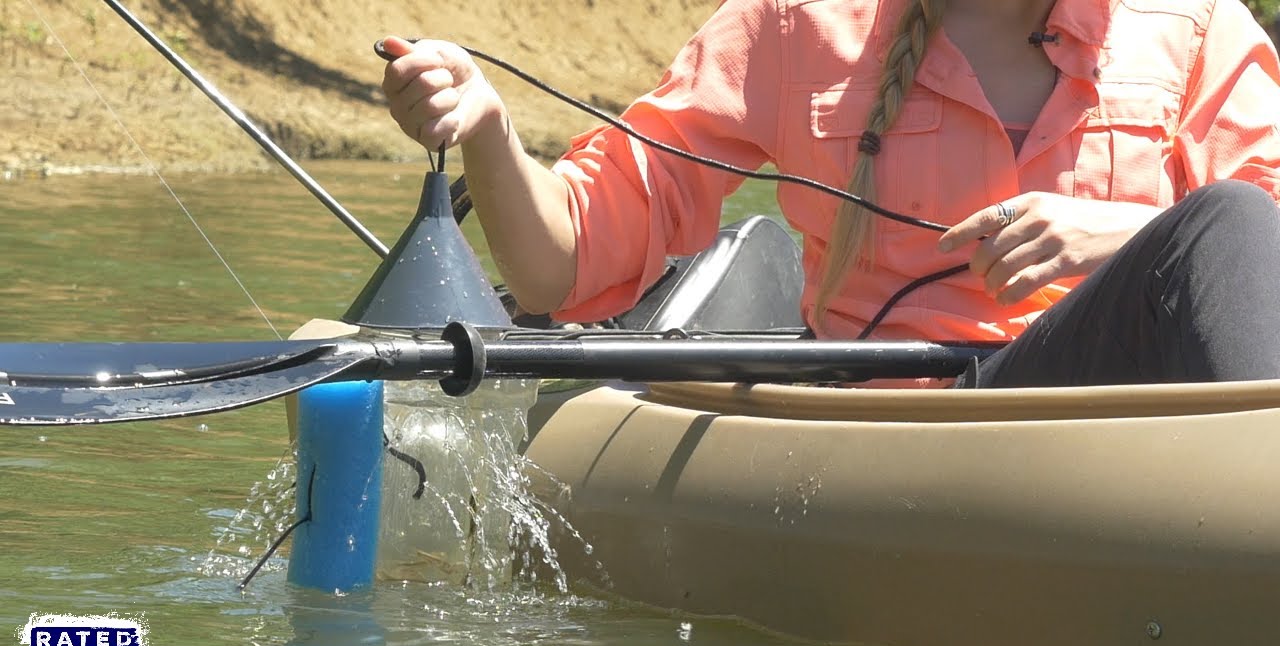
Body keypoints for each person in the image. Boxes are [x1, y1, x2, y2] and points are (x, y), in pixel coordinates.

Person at [379, 0, 1280, 388]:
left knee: (1233, 218)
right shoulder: (795, 24)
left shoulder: (1192, 23)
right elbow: (557, 272)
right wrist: (490, 132)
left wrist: (1125, 233)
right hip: (895, 425)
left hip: (1131, 424)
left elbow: (1248, 251)